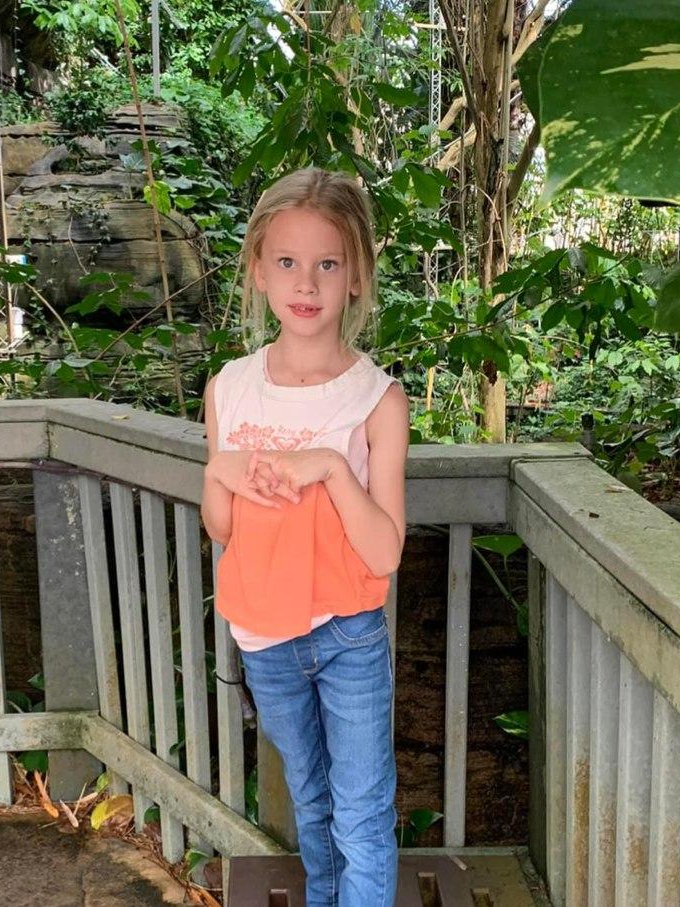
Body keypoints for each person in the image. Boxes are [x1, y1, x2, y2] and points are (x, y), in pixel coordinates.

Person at [200, 166, 410, 907]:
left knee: (362, 812)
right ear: (258, 270)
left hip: (348, 632)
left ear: (355, 278)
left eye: (327, 263)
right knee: (312, 798)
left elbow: (384, 551)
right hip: (263, 638)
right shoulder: (229, 388)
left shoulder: (378, 399)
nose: (306, 282)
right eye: (287, 260)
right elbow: (222, 527)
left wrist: (330, 467)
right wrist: (219, 470)